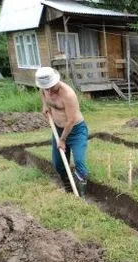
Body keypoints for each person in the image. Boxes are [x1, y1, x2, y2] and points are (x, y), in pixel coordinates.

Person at [35, 67, 89, 197]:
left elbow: (71, 120)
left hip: (76, 130)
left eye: (51, 88)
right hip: (58, 129)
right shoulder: (45, 89)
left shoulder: (68, 95)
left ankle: (81, 195)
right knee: (59, 164)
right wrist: (45, 106)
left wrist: (62, 140)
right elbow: (43, 94)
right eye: (46, 88)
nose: (48, 91)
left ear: (56, 81)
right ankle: (69, 189)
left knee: (80, 165)